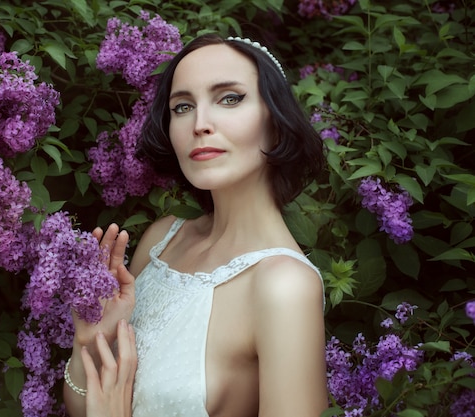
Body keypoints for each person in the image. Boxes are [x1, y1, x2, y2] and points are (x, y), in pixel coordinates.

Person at [64, 33, 328, 417]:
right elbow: (83, 406)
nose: (200, 123)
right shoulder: (162, 239)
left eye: (230, 98)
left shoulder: (283, 286)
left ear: (276, 120)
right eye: (183, 106)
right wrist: (88, 343)